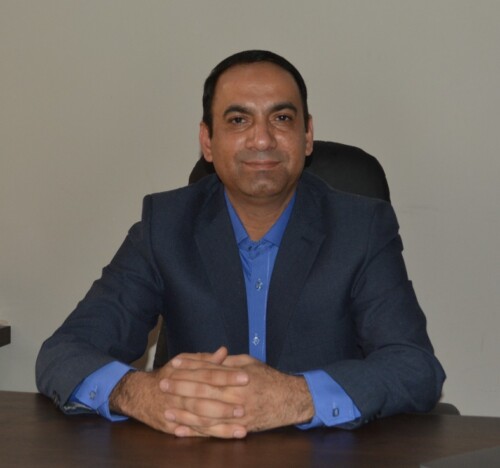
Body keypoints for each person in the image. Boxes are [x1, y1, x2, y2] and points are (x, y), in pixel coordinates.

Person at [36, 50, 445, 439]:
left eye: (281, 118)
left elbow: (415, 367)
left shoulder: (362, 228)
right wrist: (141, 393)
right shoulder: (165, 227)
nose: (262, 139)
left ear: (307, 136)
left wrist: (294, 397)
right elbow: (63, 353)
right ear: (207, 142)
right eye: (238, 120)